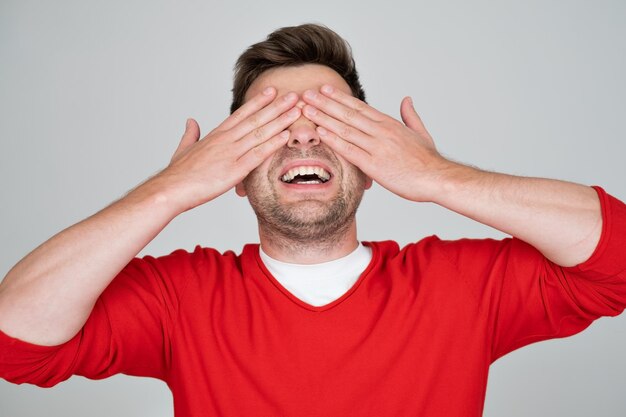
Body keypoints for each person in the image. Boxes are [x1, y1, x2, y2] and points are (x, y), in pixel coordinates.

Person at [0, 23, 624, 417]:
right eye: (269, 126)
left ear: (375, 157)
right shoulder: (178, 298)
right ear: (234, 173)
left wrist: (438, 177)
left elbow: (616, 259)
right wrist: (168, 191)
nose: (302, 136)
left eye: (332, 122)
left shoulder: (459, 285)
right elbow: (16, 341)